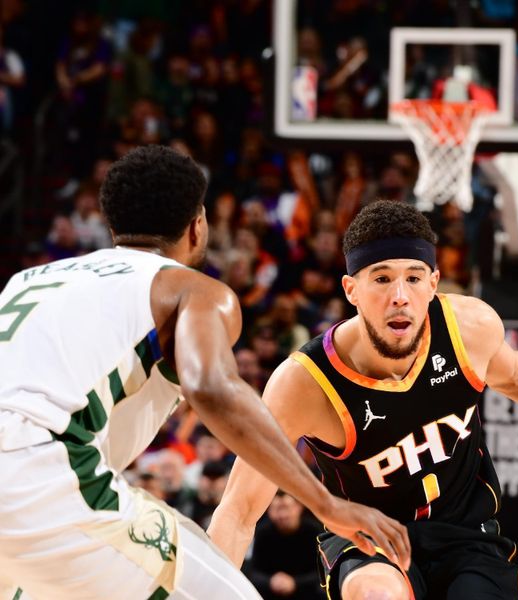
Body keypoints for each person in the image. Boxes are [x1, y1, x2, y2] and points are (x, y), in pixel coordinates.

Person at [209, 200, 518, 599]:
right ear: (351, 289)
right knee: (375, 594)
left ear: (433, 284)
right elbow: (239, 509)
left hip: (468, 534)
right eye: (381, 278)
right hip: (367, 540)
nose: (400, 295)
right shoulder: (305, 383)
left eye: (414, 277)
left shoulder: (467, 328)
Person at [0, 146, 409, 600]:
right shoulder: (192, 290)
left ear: (112, 227)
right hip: (44, 473)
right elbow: (211, 387)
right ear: (197, 226)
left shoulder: (29, 281)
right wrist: (325, 503)